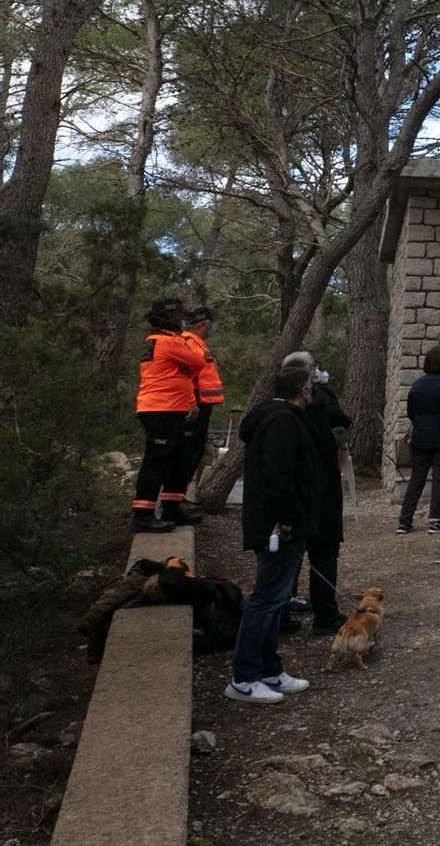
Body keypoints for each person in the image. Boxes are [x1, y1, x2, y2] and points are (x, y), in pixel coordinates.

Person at [227, 365, 322, 704]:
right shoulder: (282, 421)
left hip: (283, 523)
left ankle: (269, 668)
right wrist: (287, 519)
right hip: (277, 527)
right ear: (302, 389)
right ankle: (244, 676)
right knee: (265, 600)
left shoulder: (282, 417)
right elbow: (277, 475)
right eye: (311, 385)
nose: (314, 390)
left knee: (277, 600)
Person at [282, 350, 351, 637]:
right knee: (323, 551)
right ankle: (325, 614)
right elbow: (342, 424)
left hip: (295, 488)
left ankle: (282, 612)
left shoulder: (278, 407)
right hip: (320, 486)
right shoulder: (321, 402)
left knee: (292, 554)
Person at [132, 299, 205, 532]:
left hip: (171, 408)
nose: (183, 321)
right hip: (160, 409)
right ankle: (142, 515)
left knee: (180, 459)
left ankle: (172, 508)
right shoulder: (166, 342)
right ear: (167, 318)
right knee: (158, 460)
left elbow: (183, 374)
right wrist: (188, 344)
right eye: (179, 316)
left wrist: (191, 403)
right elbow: (198, 361)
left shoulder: (165, 341)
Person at [398, 345, 440, 534]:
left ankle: (404, 521)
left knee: (416, 479)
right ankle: (435, 520)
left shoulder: (418, 384)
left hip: (421, 437)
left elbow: (411, 412)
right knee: (439, 477)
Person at [169, 305, 226, 519]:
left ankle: (178, 497)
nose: (215, 327)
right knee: (187, 453)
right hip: (193, 406)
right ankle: (175, 499)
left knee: (193, 452)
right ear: (204, 323)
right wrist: (191, 404)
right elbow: (187, 377)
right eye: (213, 322)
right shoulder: (190, 343)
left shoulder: (198, 344)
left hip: (201, 405)